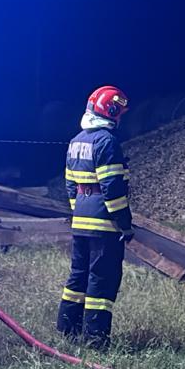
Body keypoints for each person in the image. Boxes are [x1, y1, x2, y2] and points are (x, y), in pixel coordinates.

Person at [58, 85, 133, 350]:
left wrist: (79, 211)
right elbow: (112, 188)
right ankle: (96, 340)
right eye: (118, 112)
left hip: (80, 222)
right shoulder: (107, 141)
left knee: (78, 277)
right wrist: (124, 224)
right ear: (110, 111)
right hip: (104, 225)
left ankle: (67, 331)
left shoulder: (76, 140)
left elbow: (70, 184)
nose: (120, 118)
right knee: (102, 281)